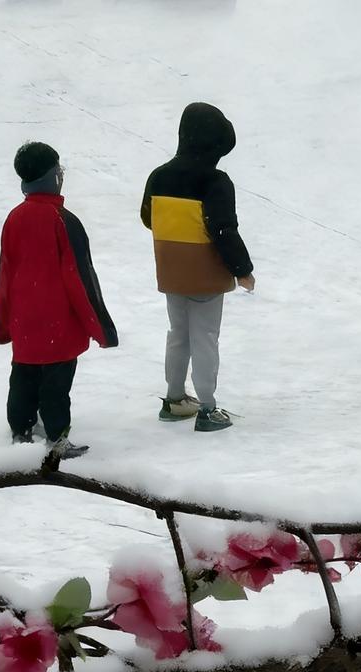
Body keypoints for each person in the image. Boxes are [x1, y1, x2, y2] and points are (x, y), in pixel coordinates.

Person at [0, 141, 118, 458]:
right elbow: (81, 279)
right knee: (55, 387)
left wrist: (2, 321)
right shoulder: (64, 220)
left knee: (23, 377)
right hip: (59, 325)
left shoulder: (14, 218)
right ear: (52, 177)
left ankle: (20, 431)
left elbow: (5, 273)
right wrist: (101, 327)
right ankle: (57, 438)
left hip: (25, 321)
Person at [140, 102, 254, 433]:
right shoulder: (215, 181)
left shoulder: (158, 176)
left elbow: (148, 217)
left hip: (172, 271)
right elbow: (223, 229)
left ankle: (174, 399)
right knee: (204, 337)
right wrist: (241, 267)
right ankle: (207, 407)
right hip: (205, 275)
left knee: (178, 334)